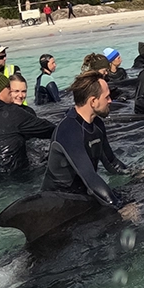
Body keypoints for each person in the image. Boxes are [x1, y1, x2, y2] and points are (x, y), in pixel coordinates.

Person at [43, 71, 133, 213]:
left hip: (83, 195)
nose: (110, 101)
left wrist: (136, 173)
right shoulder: (69, 130)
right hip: (58, 205)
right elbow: (90, 177)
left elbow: (111, 163)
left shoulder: (97, 124)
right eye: (107, 97)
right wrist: (120, 206)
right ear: (93, 101)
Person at [0, 71, 55, 175]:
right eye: (7, 87)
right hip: (16, 177)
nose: (10, 89)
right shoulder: (12, 112)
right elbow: (50, 130)